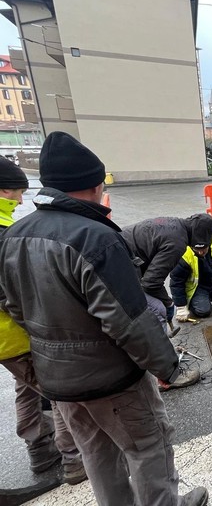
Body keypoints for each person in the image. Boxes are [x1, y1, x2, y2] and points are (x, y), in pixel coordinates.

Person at [0, 132, 208, 506]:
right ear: (96, 185)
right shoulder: (96, 238)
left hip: (58, 382)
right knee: (148, 447)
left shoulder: (14, 236)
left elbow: (14, 306)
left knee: (97, 454)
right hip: (111, 378)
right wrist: (169, 367)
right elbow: (129, 321)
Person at [0, 157, 86, 484]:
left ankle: (39, 449)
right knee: (60, 393)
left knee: (26, 388)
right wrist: (38, 321)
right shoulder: (2, 233)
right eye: (16, 192)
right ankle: (74, 458)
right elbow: (8, 295)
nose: (20, 200)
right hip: (18, 334)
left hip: (6, 342)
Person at [121, 214, 212, 334]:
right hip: (118, 260)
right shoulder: (177, 243)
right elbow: (150, 283)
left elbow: (148, 270)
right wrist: (169, 303)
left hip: (121, 251)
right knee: (158, 309)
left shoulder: (176, 224)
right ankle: (160, 351)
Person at [169, 232, 212, 321]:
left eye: (203, 249)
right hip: (198, 288)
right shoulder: (183, 254)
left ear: (209, 244)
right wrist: (181, 307)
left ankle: (210, 297)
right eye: (196, 249)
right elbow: (176, 282)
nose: (200, 252)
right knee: (203, 311)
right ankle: (194, 302)